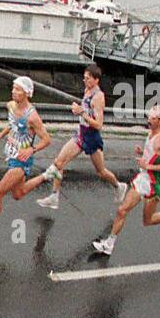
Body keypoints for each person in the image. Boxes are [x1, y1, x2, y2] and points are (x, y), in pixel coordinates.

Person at [0, 77, 53, 244]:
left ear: (27, 93)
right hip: (11, 155)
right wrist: (1, 134)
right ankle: (47, 175)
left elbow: (46, 139)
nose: (13, 91)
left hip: (21, 161)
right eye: (13, 88)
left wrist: (31, 149)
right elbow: (12, 124)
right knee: (18, 194)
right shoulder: (11, 105)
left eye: (18, 89)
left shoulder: (32, 117)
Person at [29, 63, 124, 209]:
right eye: (84, 78)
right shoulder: (87, 90)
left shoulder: (98, 97)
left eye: (88, 78)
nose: (84, 81)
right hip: (81, 133)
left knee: (101, 171)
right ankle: (54, 196)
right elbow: (85, 112)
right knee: (59, 162)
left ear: (96, 80)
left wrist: (81, 113)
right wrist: (79, 111)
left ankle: (118, 186)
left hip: (92, 137)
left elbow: (98, 124)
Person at [92, 105, 160, 256]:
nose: (149, 121)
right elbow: (153, 153)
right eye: (148, 118)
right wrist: (143, 152)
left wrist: (147, 165)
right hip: (143, 179)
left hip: (154, 184)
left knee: (147, 221)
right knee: (122, 210)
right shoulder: (151, 132)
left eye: (152, 119)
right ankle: (109, 244)